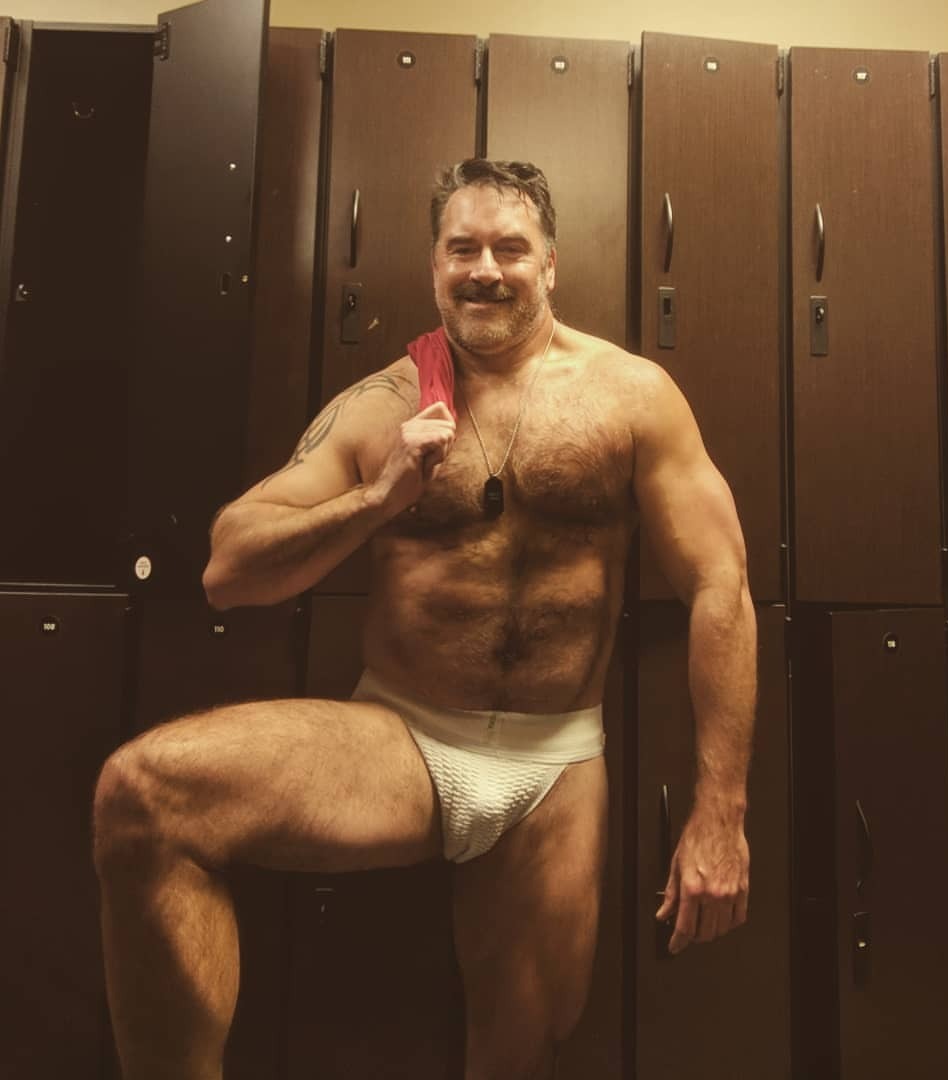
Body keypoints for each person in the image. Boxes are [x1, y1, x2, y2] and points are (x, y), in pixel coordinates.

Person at [93, 158, 756, 1080]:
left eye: (510, 248)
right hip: (404, 740)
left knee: (522, 1054)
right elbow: (227, 571)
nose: (485, 268)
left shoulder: (632, 396)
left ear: (550, 264)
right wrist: (380, 498)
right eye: (462, 248)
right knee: (143, 794)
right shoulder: (385, 405)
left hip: (557, 763)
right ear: (434, 265)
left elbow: (721, 582)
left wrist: (721, 812)